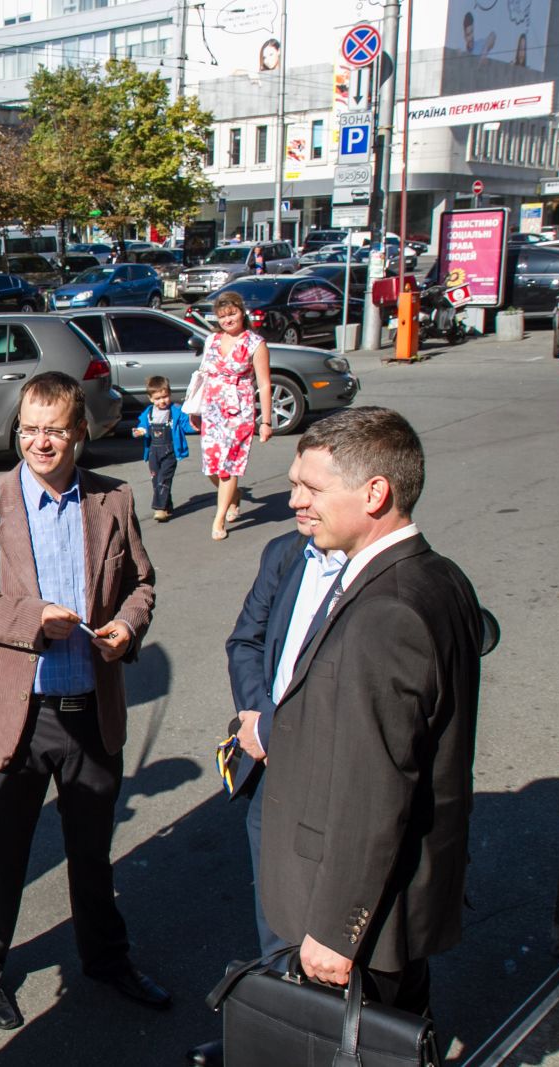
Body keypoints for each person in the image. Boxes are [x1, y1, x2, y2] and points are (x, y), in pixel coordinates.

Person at [0, 371, 165, 1031]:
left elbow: (142, 582)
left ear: (80, 432)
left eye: (55, 430)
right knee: (2, 852)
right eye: (30, 429)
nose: (40, 442)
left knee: (91, 852)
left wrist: (128, 627)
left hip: (91, 708)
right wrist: (31, 619)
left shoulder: (114, 499)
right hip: (20, 713)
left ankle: (106, 958)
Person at [259, 407, 484, 1016]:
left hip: (361, 921)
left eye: (311, 488)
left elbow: (375, 788)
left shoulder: (386, 613)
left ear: (375, 493)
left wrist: (338, 930)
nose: (295, 502)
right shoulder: (438, 576)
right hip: (391, 902)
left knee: (360, 1043)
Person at [185, 527, 346, 1067]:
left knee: (335, 937)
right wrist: (259, 723)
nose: (295, 501)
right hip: (270, 774)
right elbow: (246, 642)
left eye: (309, 489)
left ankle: (339, 1047)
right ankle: (279, 1041)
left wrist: (278, 732)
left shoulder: (383, 576)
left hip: (336, 781)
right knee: (276, 920)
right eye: (294, 487)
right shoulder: (286, 552)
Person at [198, 290, 274, 541]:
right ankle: (234, 495)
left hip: (239, 412)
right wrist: (194, 410)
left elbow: (264, 384)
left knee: (228, 467)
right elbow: (201, 376)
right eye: (222, 316)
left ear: (242, 313)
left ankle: (218, 519)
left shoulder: (255, 343)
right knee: (211, 466)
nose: (228, 320)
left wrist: (266, 422)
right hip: (212, 410)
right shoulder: (212, 340)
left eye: (232, 314)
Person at [132, 375, 197, 521]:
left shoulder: (176, 411)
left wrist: (197, 426)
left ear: (170, 394)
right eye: (157, 398)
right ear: (150, 399)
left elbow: (186, 425)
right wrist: (139, 431)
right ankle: (167, 505)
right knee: (156, 480)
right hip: (153, 452)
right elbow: (143, 425)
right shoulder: (149, 412)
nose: (162, 401)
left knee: (163, 479)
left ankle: (160, 509)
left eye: (165, 397)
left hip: (170, 451)